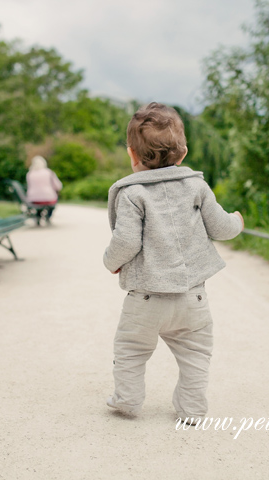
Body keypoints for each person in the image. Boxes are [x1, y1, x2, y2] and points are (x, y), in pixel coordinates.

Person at [103, 102, 244, 424]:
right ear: (182, 154)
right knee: (195, 356)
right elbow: (221, 228)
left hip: (146, 299)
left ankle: (127, 399)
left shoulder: (132, 193)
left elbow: (125, 242)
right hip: (191, 297)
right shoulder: (197, 186)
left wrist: (110, 262)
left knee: (130, 351)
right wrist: (238, 221)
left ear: (131, 154)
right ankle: (192, 410)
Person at [26, 155, 62, 225]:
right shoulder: (49, 172)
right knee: (52, 202)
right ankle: (48, 216)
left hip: (34, 199)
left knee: (39, 201)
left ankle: (38, 216)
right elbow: (58, 186)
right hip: (49, 198)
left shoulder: (30, 174)